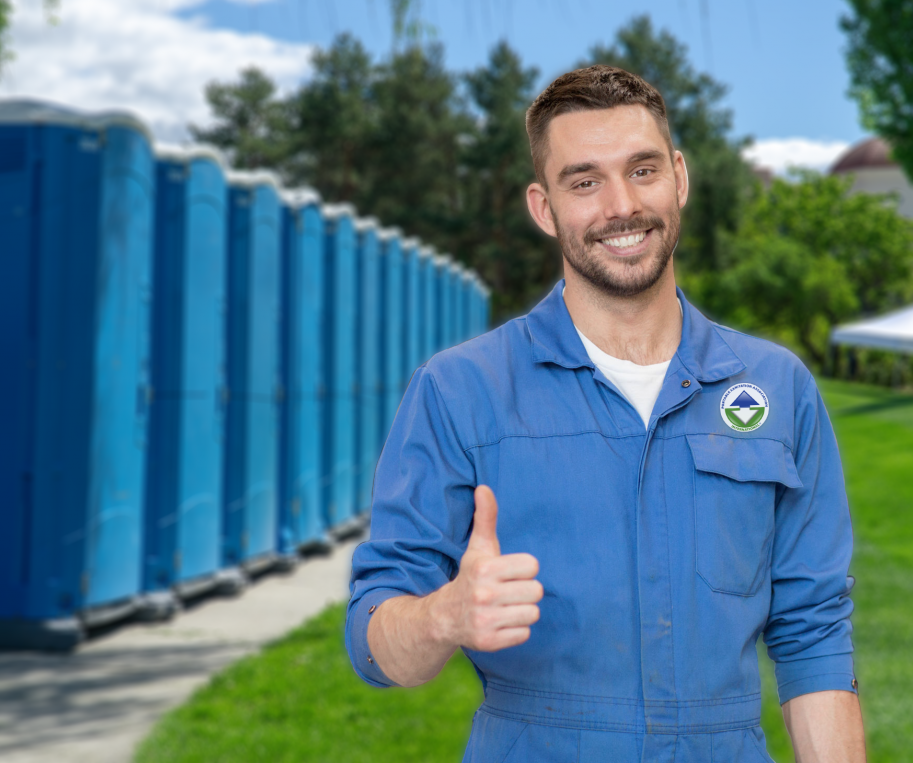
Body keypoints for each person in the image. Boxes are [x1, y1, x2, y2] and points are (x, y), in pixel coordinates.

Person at [345, 65, 865, 762]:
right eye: (584, 181)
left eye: (642, 170)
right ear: (543, 206)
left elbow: (814, 634)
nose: (621, 205)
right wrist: (442, 615)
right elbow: (376, 641)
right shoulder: (459, 390)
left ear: (679, 177)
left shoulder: (777, 387)